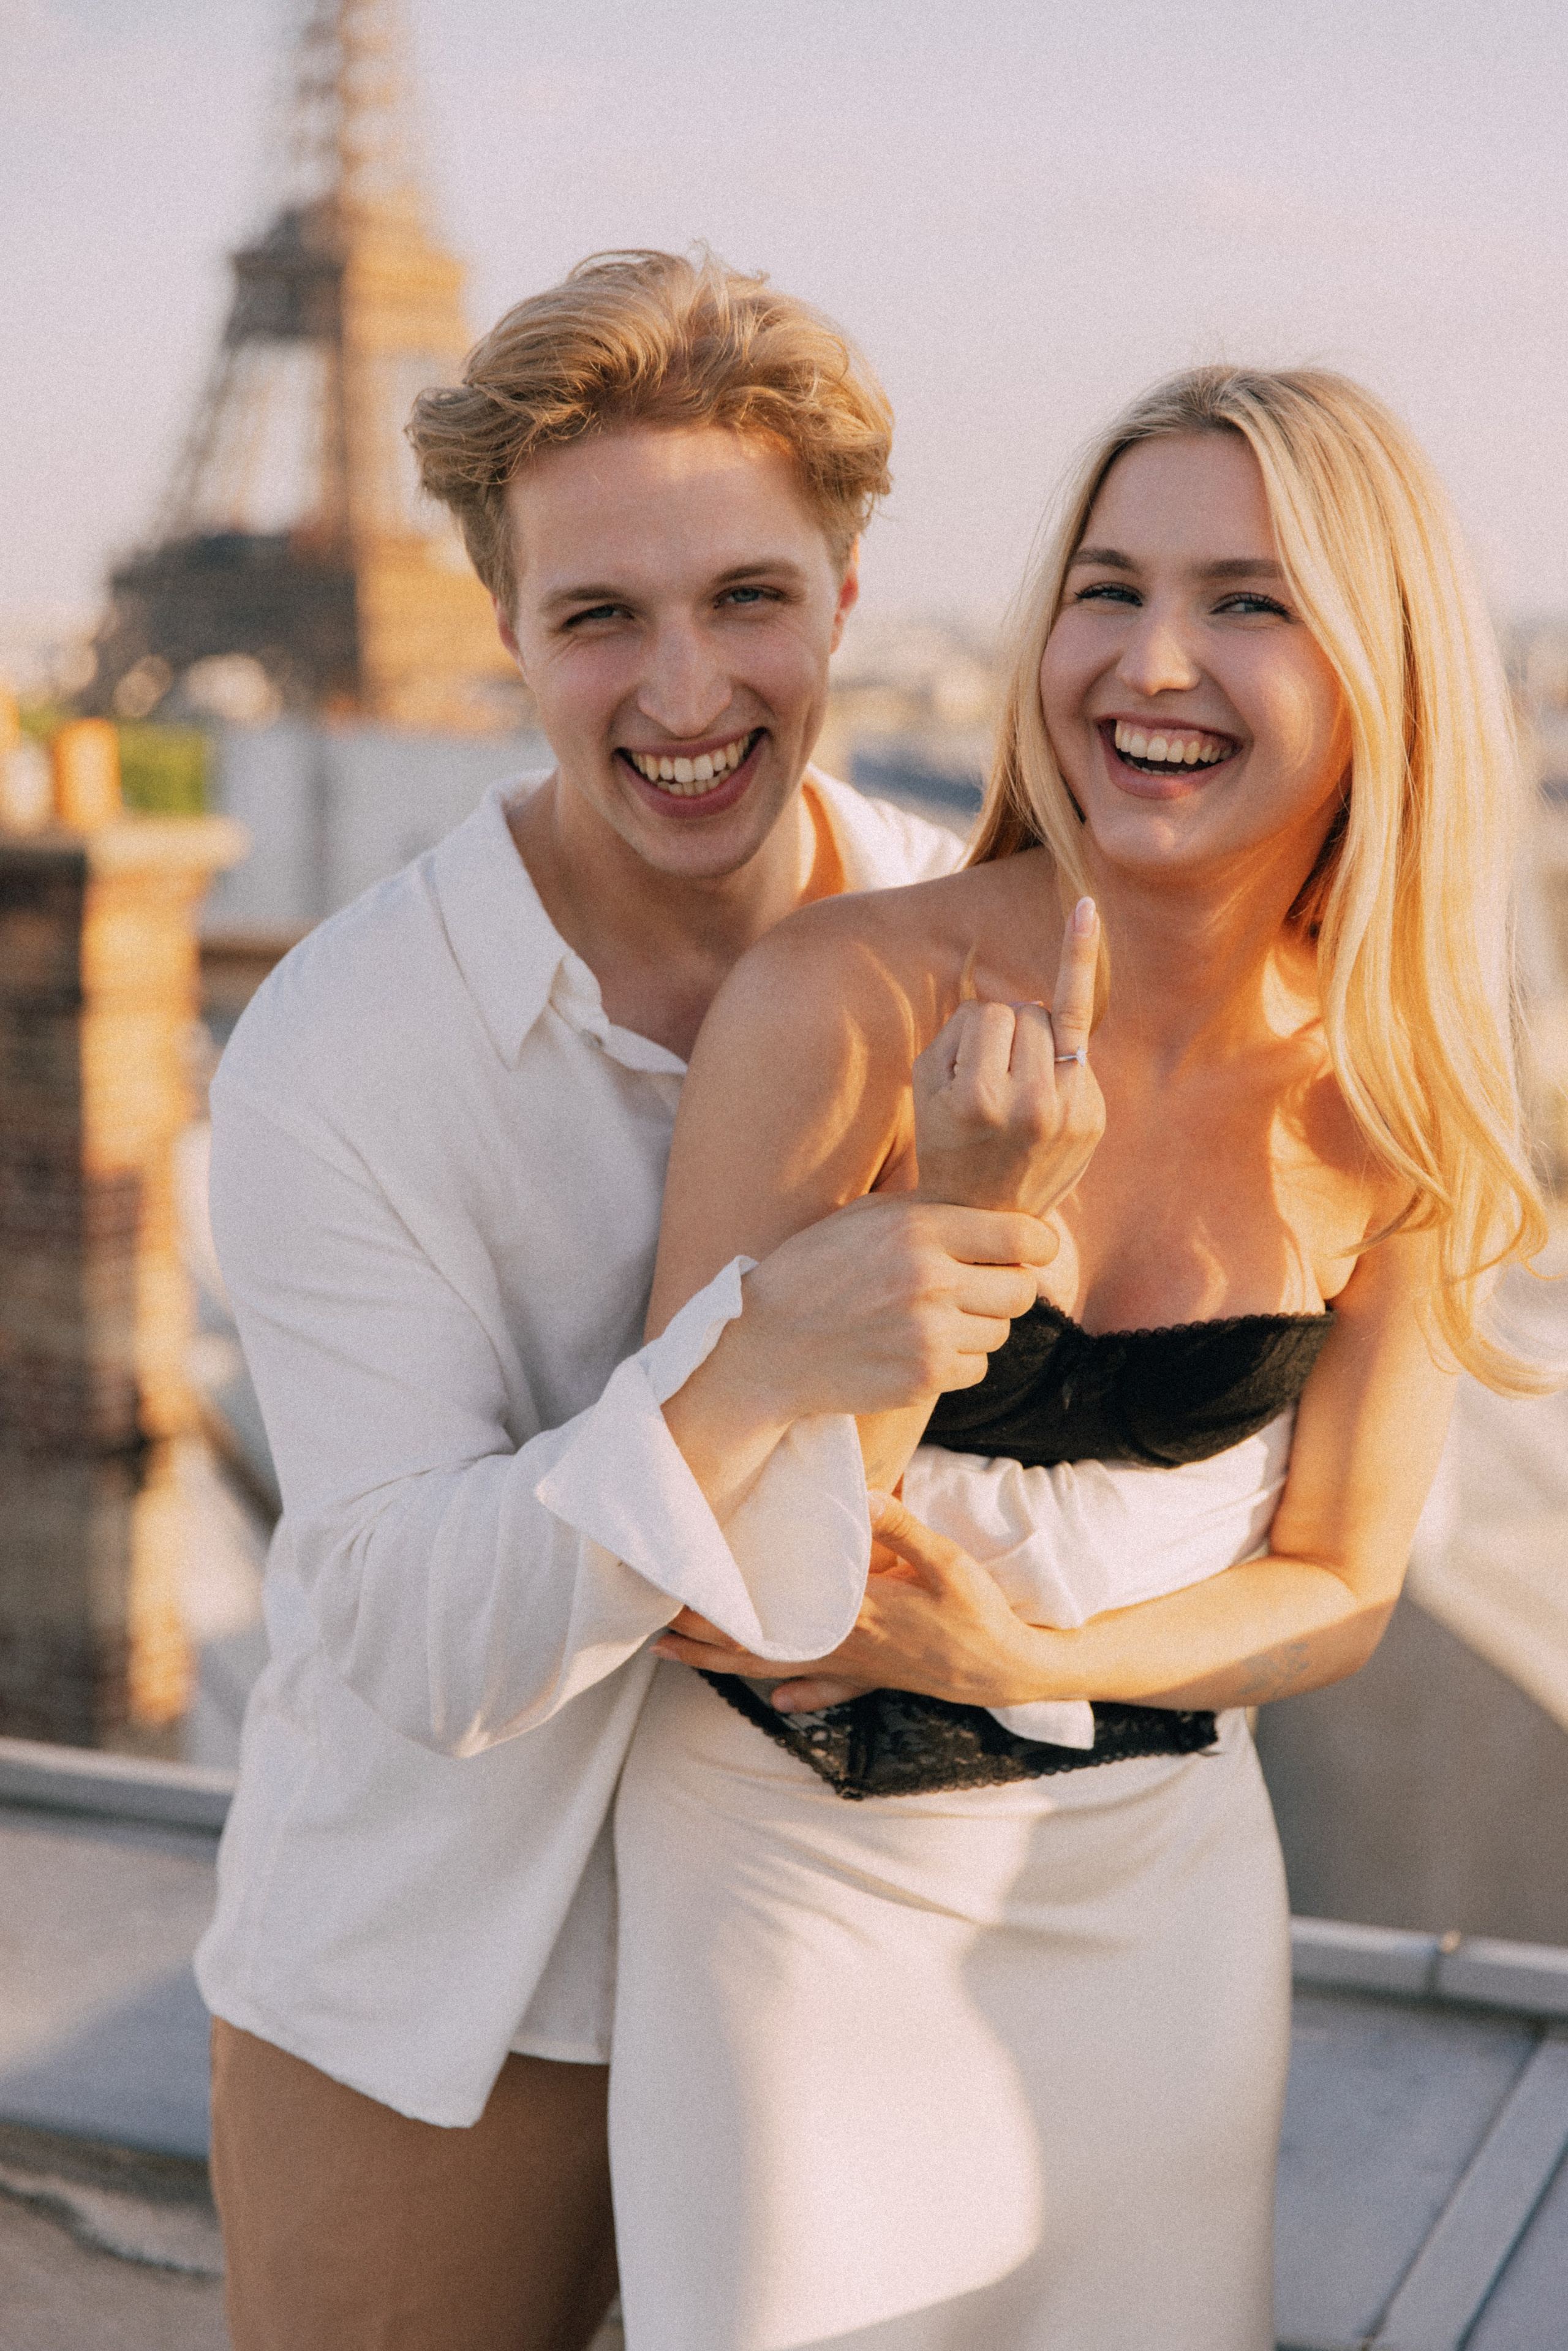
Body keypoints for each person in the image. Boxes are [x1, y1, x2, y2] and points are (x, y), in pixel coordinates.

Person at [611, 365, 1549, 2349]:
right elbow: (713, 1583)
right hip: (797, 1896)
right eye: (1107, 588)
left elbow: (1337, 1586)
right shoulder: (842, 1002)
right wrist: (955, 1217)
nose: (1153, 661)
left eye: (1249, 601)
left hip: (1161, 1913)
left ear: (1383, 676)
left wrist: (1025, 1666)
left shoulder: (1407, 1106)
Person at [194, 247, 1058, 2351]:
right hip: (446, 2001)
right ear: (506, 633)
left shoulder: (990, 942)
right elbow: (404, 1626)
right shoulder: (340, 1050)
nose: (686, 693)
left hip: (842, 1945)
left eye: (745, 600)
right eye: (602, 619)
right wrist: (749, 1370)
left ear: (849, 593)